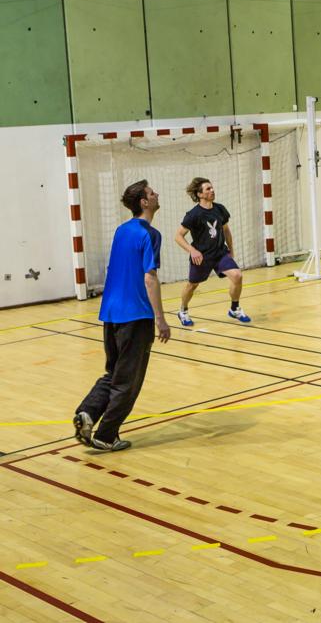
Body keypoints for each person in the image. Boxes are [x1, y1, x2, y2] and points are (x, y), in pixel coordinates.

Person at [73, 180, 171, 452]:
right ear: (144, 202)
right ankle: (106, 435)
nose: (157, 194)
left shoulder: (121, 230)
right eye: (152, 193)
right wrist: (161, 319)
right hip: (136, 315)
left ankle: (88, 413)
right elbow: (150, 277)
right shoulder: (150, 234)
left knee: (114, 372)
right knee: (128, 382)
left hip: (111, 313)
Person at [174, 177, 250, 325]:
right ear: (200, 194)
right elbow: (178, 236)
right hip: (201, 256)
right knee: (192, 285)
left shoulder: (220, 209)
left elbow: (226, 231)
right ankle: (183, 311)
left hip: (220, 253)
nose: (212, 190)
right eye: (208, 189)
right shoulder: (193, 215)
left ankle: (234, 308)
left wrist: (231, 251)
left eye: (212, 187)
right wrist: (192, 251)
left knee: (237, 275)